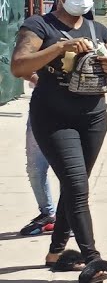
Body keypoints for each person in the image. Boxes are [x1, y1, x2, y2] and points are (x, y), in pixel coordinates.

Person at [9, 0, 107, 283]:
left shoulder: (99, 30)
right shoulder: (39, 26)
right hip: (53, 117)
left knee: (75, 186)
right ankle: (91, 258)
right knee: (77, 187)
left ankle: (57, 253)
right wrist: (59, 48)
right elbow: (19, 66)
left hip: (93, 118)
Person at [17, 74, 56, 237]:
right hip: (42, 106)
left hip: (76, 109)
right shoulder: (36, 46)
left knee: (71, 171)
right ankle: (48, 214)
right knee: (35, 167)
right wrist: (37, 78)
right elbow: (20, 65)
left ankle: (70, 218)